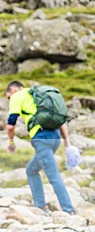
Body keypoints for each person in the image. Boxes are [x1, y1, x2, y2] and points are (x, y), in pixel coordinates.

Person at [6, 80, 75, 215]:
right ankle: (40, 206)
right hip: (55, 137)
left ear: (13, 90)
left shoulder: (16, 96)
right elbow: (61, 121)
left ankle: (68, 209)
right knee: (31, 170)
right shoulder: (37, 96)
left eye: (8, 96)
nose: (9, 99)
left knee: (53, 175)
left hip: (41, 139)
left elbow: (10, 126)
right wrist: (67, 143)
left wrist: (11, 143)